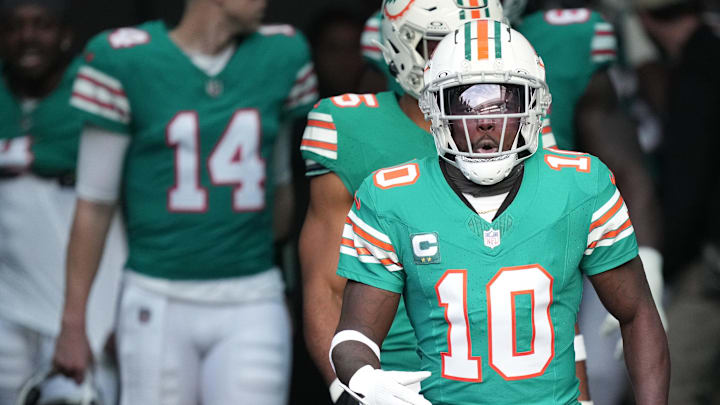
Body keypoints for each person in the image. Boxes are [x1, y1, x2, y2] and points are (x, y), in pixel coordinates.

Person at [330, 19, 669, 405]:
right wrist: (364, 378)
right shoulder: (390, 197)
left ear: (535, 106)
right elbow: (354, 335)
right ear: (434, 109)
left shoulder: (581, 185)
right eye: (466, 101)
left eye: (503, 101)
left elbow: (638, 313)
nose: (486, 119)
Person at [300, 1, 591, 404]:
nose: (464, 56)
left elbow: (553, 282)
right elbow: (325, 285)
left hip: (520, 377)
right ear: (401, 43)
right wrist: (349, 388)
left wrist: (581, 394)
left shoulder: (521, 128)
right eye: (443, 41)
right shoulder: (348, 127)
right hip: (395, 378)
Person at [50, 0, 318, 403]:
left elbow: (280, 191)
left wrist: (282, 278)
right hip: (158, 294)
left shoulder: (281, 53)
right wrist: (73, 324)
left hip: (252, 294)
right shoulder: (124, 58)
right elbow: (94, 204)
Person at [0, 1, 125, 404]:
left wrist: (123, 308)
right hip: (10, 297)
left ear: (66, 35)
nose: (28, 36)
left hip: (87, 305)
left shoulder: (94, 90)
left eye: (43, 25)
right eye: (14, 27)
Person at [634, 0, 720, 403]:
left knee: (674, 386)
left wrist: (668, 261)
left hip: (708, 263)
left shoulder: (697, 72)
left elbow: (689, 175)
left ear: (647, 19)